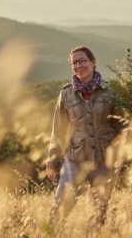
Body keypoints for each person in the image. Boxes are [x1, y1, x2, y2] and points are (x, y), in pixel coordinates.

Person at [46, 45, 124, 228]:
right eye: (74, 63)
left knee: (100, 210)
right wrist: (52, 162)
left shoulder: (111, 92)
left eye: (82, 60)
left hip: (105, 160)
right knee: (60, 206)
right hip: (75, 160)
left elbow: (121, 125)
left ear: (93, 62)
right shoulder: (66, 93)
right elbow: (58, 130)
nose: (78, 65)